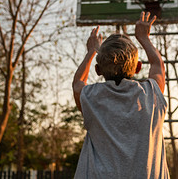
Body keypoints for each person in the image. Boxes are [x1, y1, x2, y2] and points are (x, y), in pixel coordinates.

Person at [73, 11, 170, 179]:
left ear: (98, 70)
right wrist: (144, 38)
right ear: (138, 67)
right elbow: (158, 66)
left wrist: (91, 52)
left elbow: (77, 83)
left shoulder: (90, 97)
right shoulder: (151, 94)